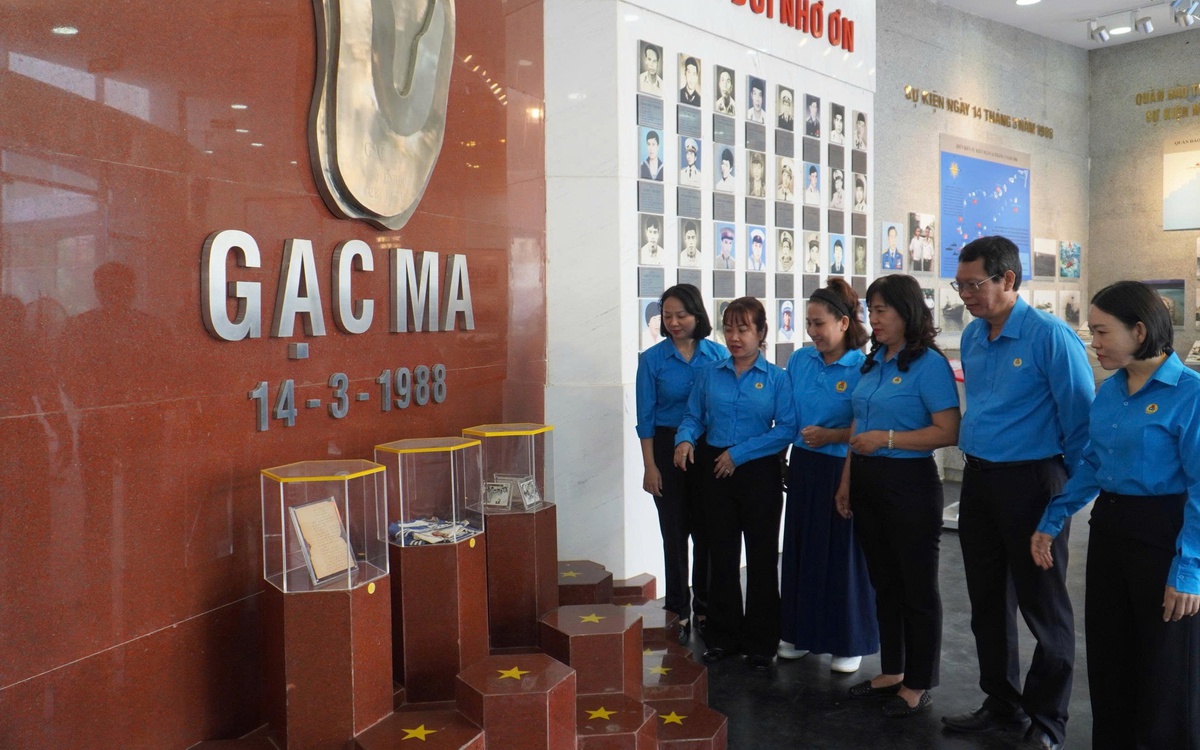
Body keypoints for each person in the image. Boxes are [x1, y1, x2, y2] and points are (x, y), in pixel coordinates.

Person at [1034, 282, 1200, 748]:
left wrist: (1189, 569)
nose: (1094, 344)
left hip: (1164, 535)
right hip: (1110, 528)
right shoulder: (1109, 391)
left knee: (1165, 666)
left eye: (1102, 332)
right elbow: (1092, 464)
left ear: (1139, 331)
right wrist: (1053, 518)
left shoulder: (1190, 394)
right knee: (1111, 657)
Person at [943, 236, 1093, 750]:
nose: (965, 295)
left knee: (1044, 606)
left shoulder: (1050, 336)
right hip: (980, 480)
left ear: (1008, 279)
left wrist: (1063, 497)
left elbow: (1081, 423)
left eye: (974, 284)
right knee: (987, 601)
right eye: (959, 285)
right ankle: (1001, 703)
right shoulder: (974, 335)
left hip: (1034, 482)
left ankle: (1048, 721)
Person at [836, 273, 961, 718]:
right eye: (869, 310)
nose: (873, 319)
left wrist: (887, 439)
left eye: (881, 310)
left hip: (909, 485)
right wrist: (847, 481)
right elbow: (857, 424)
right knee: (884, 583)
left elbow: (948, 430)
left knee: (916, 587)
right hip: (867, 481)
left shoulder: (929, 364)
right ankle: (893, 670)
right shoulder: (875, 360)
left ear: (907, 312)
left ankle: (919, 681)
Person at [674, 297, 797, 669]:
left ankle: (761, 642)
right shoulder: (709, 373)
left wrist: (739, 454)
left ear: (761, 332)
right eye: (728, 329)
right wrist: (684, 439)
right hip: (715, 470)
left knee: (761, 558)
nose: (734, 337)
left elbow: (786, 429)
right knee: (721, 556)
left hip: (758, 471)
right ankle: (723, 637)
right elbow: (694, 416)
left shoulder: (777, 378)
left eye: (743, 329)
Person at [779, 279, 878, 673]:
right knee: (802, 549)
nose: (812, 332)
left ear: (843, 322)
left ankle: (847, 641)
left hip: (842, 466)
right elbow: (789, 416)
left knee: (842, 555)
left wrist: (831, 436)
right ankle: (798, 632)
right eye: (808, 323)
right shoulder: (800, 361)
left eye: (819, 323)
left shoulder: (862, 366)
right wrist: (782, 456)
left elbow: (864, 423)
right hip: (804, 464)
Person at [636, 284, 728, 646]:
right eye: (667, 316)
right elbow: (645, 418)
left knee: (706, 530)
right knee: (674, 533)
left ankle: (704, 608)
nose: (673, 322)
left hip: (708, 448)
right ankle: (677, 609)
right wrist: (650, 467)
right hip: (665, 447)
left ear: (697, 314)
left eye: (681, 315)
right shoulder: (652, 359)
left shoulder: (717, 354)